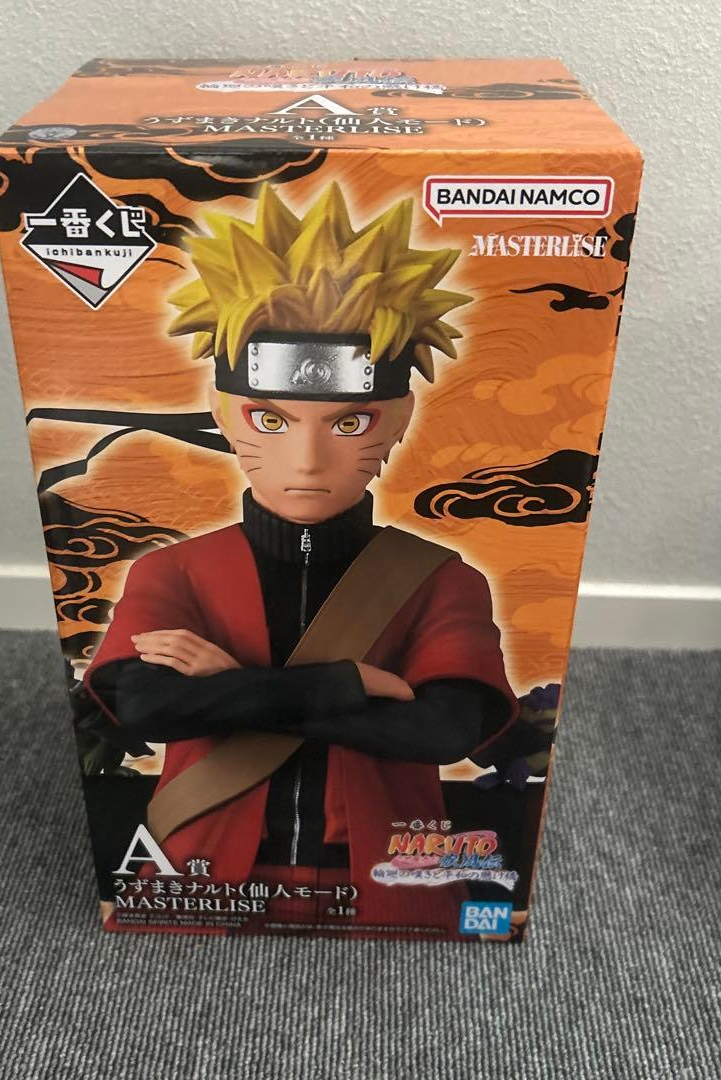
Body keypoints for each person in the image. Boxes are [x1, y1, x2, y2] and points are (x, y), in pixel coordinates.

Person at [83, 182, 518, 935]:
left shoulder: (442, 580)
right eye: (270, 419)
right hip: (200, 875)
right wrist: (350, 684)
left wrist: (236, 686)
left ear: (400, 417)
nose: (308, 460)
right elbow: (147, 708)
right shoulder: (172, 571)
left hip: (389, 883)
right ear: (223, 414)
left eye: (350, 422)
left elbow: (443, 731)